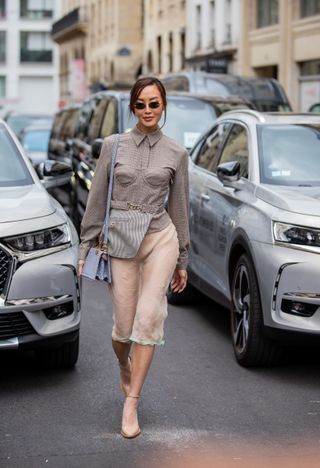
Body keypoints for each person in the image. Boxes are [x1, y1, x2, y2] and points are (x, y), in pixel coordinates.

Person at [78, 77, 189, 439]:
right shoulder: (114, 145)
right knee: (123, 329)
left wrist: (183, 259)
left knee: (148, 319)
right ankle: (122, 364)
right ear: (132, 107)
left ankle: (132, 402)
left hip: (160, 237)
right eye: (140, 104)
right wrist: (85, 246)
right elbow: (96, 199)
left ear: (164, 106)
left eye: (153, 104)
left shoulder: (176, 153)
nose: (147, 111)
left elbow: (180, 207)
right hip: (121, 239)